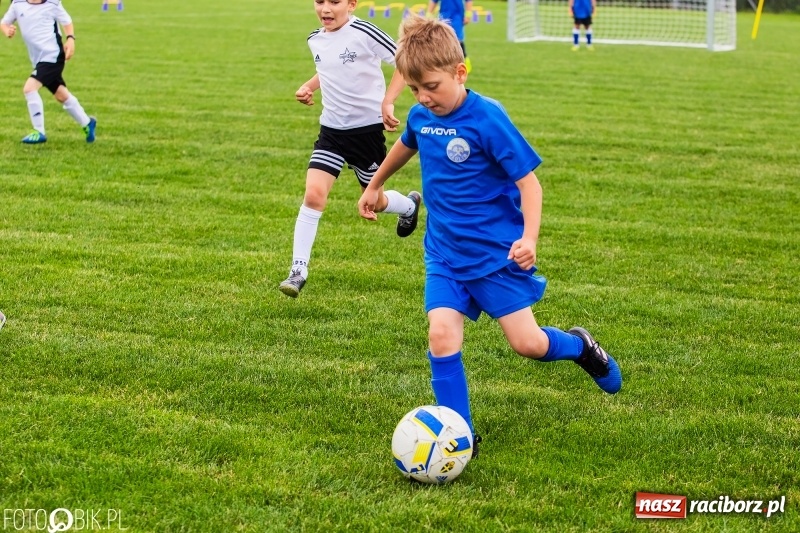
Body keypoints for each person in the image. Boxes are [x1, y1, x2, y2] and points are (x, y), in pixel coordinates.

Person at [358, 16, 621, 456]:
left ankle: (580, 347)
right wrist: (376, 184)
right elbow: (407, 143)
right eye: (414, 88)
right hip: (443, 253)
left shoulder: (488, 118)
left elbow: (529, 184)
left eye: (432, 87)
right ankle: (460, 435)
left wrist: (530, 239)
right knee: (441, 334)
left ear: (460, 73)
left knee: (529, 345)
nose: (423, 98)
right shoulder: (424, 115)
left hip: (496, 257)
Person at [280, 0, 421, 298]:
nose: (326, 8)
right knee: (314, 195)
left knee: (375, 202)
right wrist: (308, 87)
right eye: (320, 2)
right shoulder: (315, 39)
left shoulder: (365, 31)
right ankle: (298, 270)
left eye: (334, 2)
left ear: (352, 4)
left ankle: (409, 206)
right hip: (331, 131)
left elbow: (404, 61)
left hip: (366, 133)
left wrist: (388, 101)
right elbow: (329, 68)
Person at [1, 0, 96, 144]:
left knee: (29, 89)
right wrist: (7, 30)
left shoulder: (53, 4)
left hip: (53, 56)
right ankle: (87, 123)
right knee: (60, 94)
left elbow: (67, 21)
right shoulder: (17, 3)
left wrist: (70, 39)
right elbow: (4, 22)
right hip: (38, 59)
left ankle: (38, 131)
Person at [427, 0, 473, 73]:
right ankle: (442, 64)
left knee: (457, 40)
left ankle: (464, 60)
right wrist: (429, 14)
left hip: (457, 17)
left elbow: (468, 1)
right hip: (443, 16)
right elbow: (434, 1)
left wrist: (468, 14)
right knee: (442, 40)